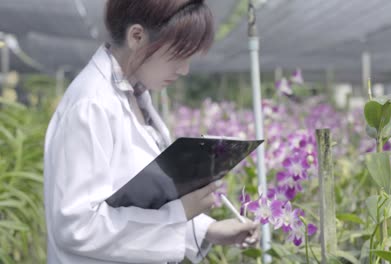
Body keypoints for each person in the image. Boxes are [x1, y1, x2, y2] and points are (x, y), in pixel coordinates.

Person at [43, 1, 259, 263]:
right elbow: (77, 228)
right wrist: (178, 214)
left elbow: (138, 203)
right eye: (178, 55)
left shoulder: (136, 95)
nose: (184, 69)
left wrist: (208, 230)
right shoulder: (91, 105)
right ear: (137, 36)